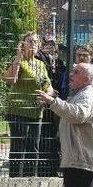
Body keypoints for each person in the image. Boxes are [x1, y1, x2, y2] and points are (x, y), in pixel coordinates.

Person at [4, 32, 54, 177]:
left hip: (36, 111)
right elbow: (10, 80)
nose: (34, 44)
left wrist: (48, 96)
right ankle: (15, 181)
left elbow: (48, 85)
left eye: (36, 42)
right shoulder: (19, 61)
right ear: (23, 44)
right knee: (19, 147)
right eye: (30, 41)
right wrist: (18, 58)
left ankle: (31, 180)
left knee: (34, 148)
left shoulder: (40, 64)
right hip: (18, 110)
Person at [36, 35, 63, 176]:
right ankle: (43, 168)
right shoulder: (39, 60)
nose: (50, 47)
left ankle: (53, 166)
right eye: (47, 44)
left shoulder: (59, 62)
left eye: (52, 44)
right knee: (43, 134)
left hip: (56, 102)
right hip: (43, 101)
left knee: (55, 134)